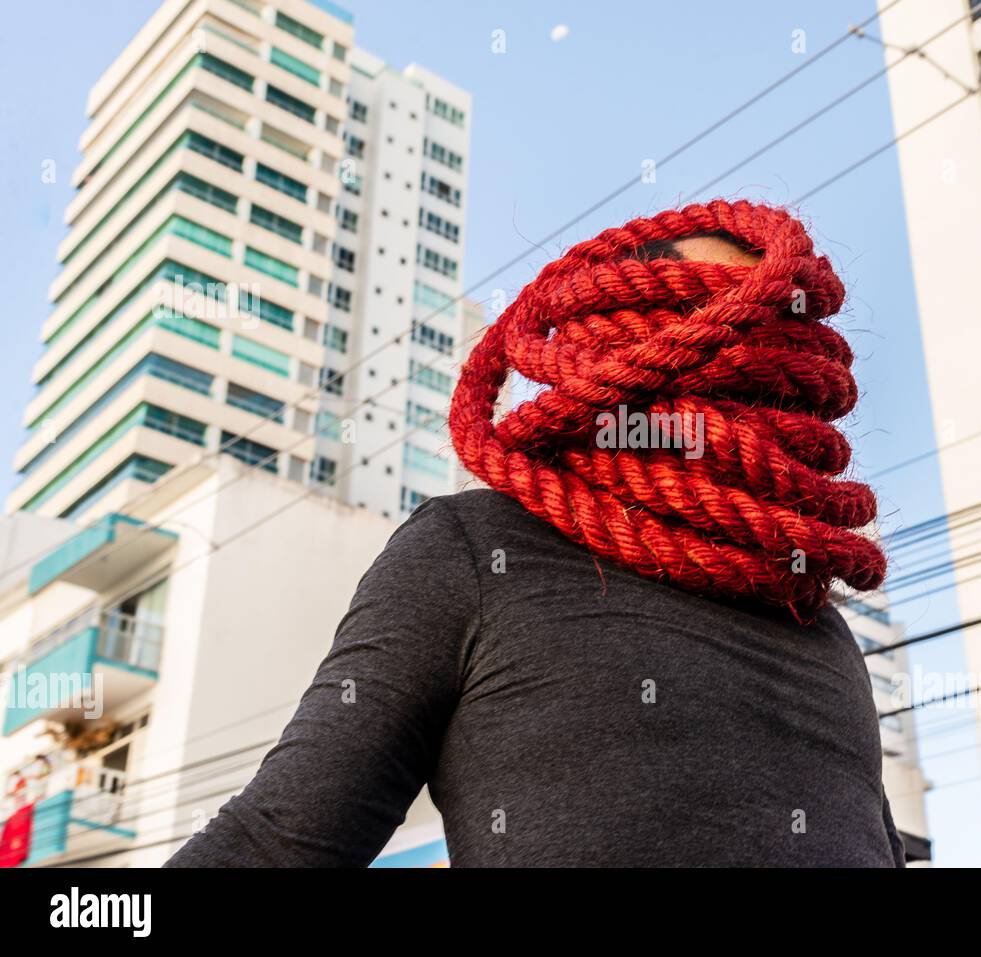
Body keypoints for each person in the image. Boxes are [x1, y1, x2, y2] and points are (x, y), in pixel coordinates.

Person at [165, 199, 902, 867]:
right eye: (721, 312)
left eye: (777, 327)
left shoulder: (821, 627)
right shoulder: (477, 552)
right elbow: (274, 844)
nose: (756, 345)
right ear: (626, 350)